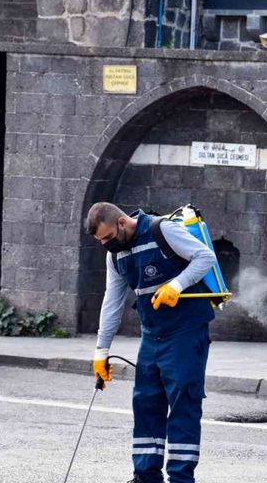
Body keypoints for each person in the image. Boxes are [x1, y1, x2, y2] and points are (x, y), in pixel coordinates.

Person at [86, 202, 217, 483]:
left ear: (122, 223)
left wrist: (176, 285)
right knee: (146, 403)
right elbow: (112, 302)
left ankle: (181, 478)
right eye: (100, 241)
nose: (105, 245)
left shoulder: (162, 230)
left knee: (183, 402)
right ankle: (145, 476)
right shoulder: (115, 256)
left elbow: (204, 257)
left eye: (107, 237)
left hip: (186, 331)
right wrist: (101, 350)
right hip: (151, 335)